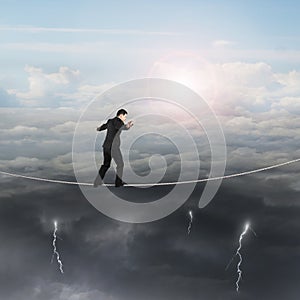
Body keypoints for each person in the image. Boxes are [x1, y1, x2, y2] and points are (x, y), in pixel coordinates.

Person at [94, 109, 133, 187]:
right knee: (120, 164)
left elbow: (104, 126)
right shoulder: (118, 122)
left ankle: (97, 182)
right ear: (121, 115)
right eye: (125, 117)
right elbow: (120, 126)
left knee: (106, 165)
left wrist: (99, 128)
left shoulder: (110, 121)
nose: (125, 119)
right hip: (113, 148)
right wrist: (127, 127)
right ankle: (118, 183)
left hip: (106, 147)